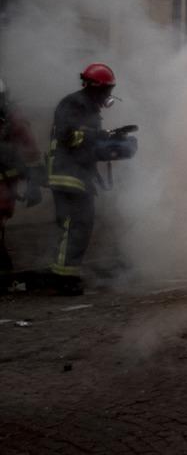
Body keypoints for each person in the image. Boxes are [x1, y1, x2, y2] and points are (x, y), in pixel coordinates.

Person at [44, 63, 120, 295]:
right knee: (74, 226)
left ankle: (67, 274)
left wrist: (113, 143)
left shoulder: (88, 107)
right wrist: (101, 136)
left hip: (78, 174)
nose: (108, 95)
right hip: (67, 174)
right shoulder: (75, 103)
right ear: (95, 87)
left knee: (80, 226)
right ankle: (63, 279)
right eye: (107, 89)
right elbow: (69, 136)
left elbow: (86, 144)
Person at [0, 77, 44, 287]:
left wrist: (34, 181)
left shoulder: (13, 119)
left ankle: (5, 276)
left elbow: (31, 150)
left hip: (4, 187)